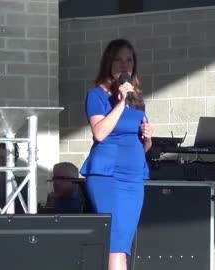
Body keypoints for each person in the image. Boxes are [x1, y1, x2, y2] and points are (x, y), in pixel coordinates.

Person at [79, 38, 154, 270]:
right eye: (119, 59)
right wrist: (120, 103)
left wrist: (148, 137)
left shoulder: (137, 100)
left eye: (129, 60)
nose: (124, 65)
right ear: (109, 62)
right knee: (113, 243)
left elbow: (143, 147)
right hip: (107, 177)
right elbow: (99, 133)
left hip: (133, 179)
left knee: (123, 246)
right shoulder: (97, 95)